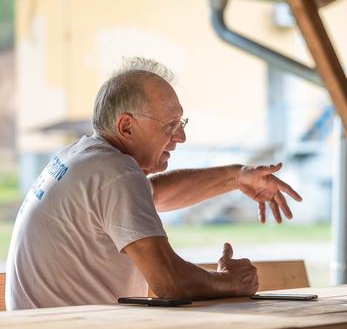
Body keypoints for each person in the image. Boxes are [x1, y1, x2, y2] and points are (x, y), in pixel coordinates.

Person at [5, 57, 302, 310]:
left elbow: (152, 194)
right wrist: (231, 282)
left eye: (181, 124)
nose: (181, 137)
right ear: (126, 126)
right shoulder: (115, 173)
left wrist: (237, 177)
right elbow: (169, 282)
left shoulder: (83, 156)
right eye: (169, 126)